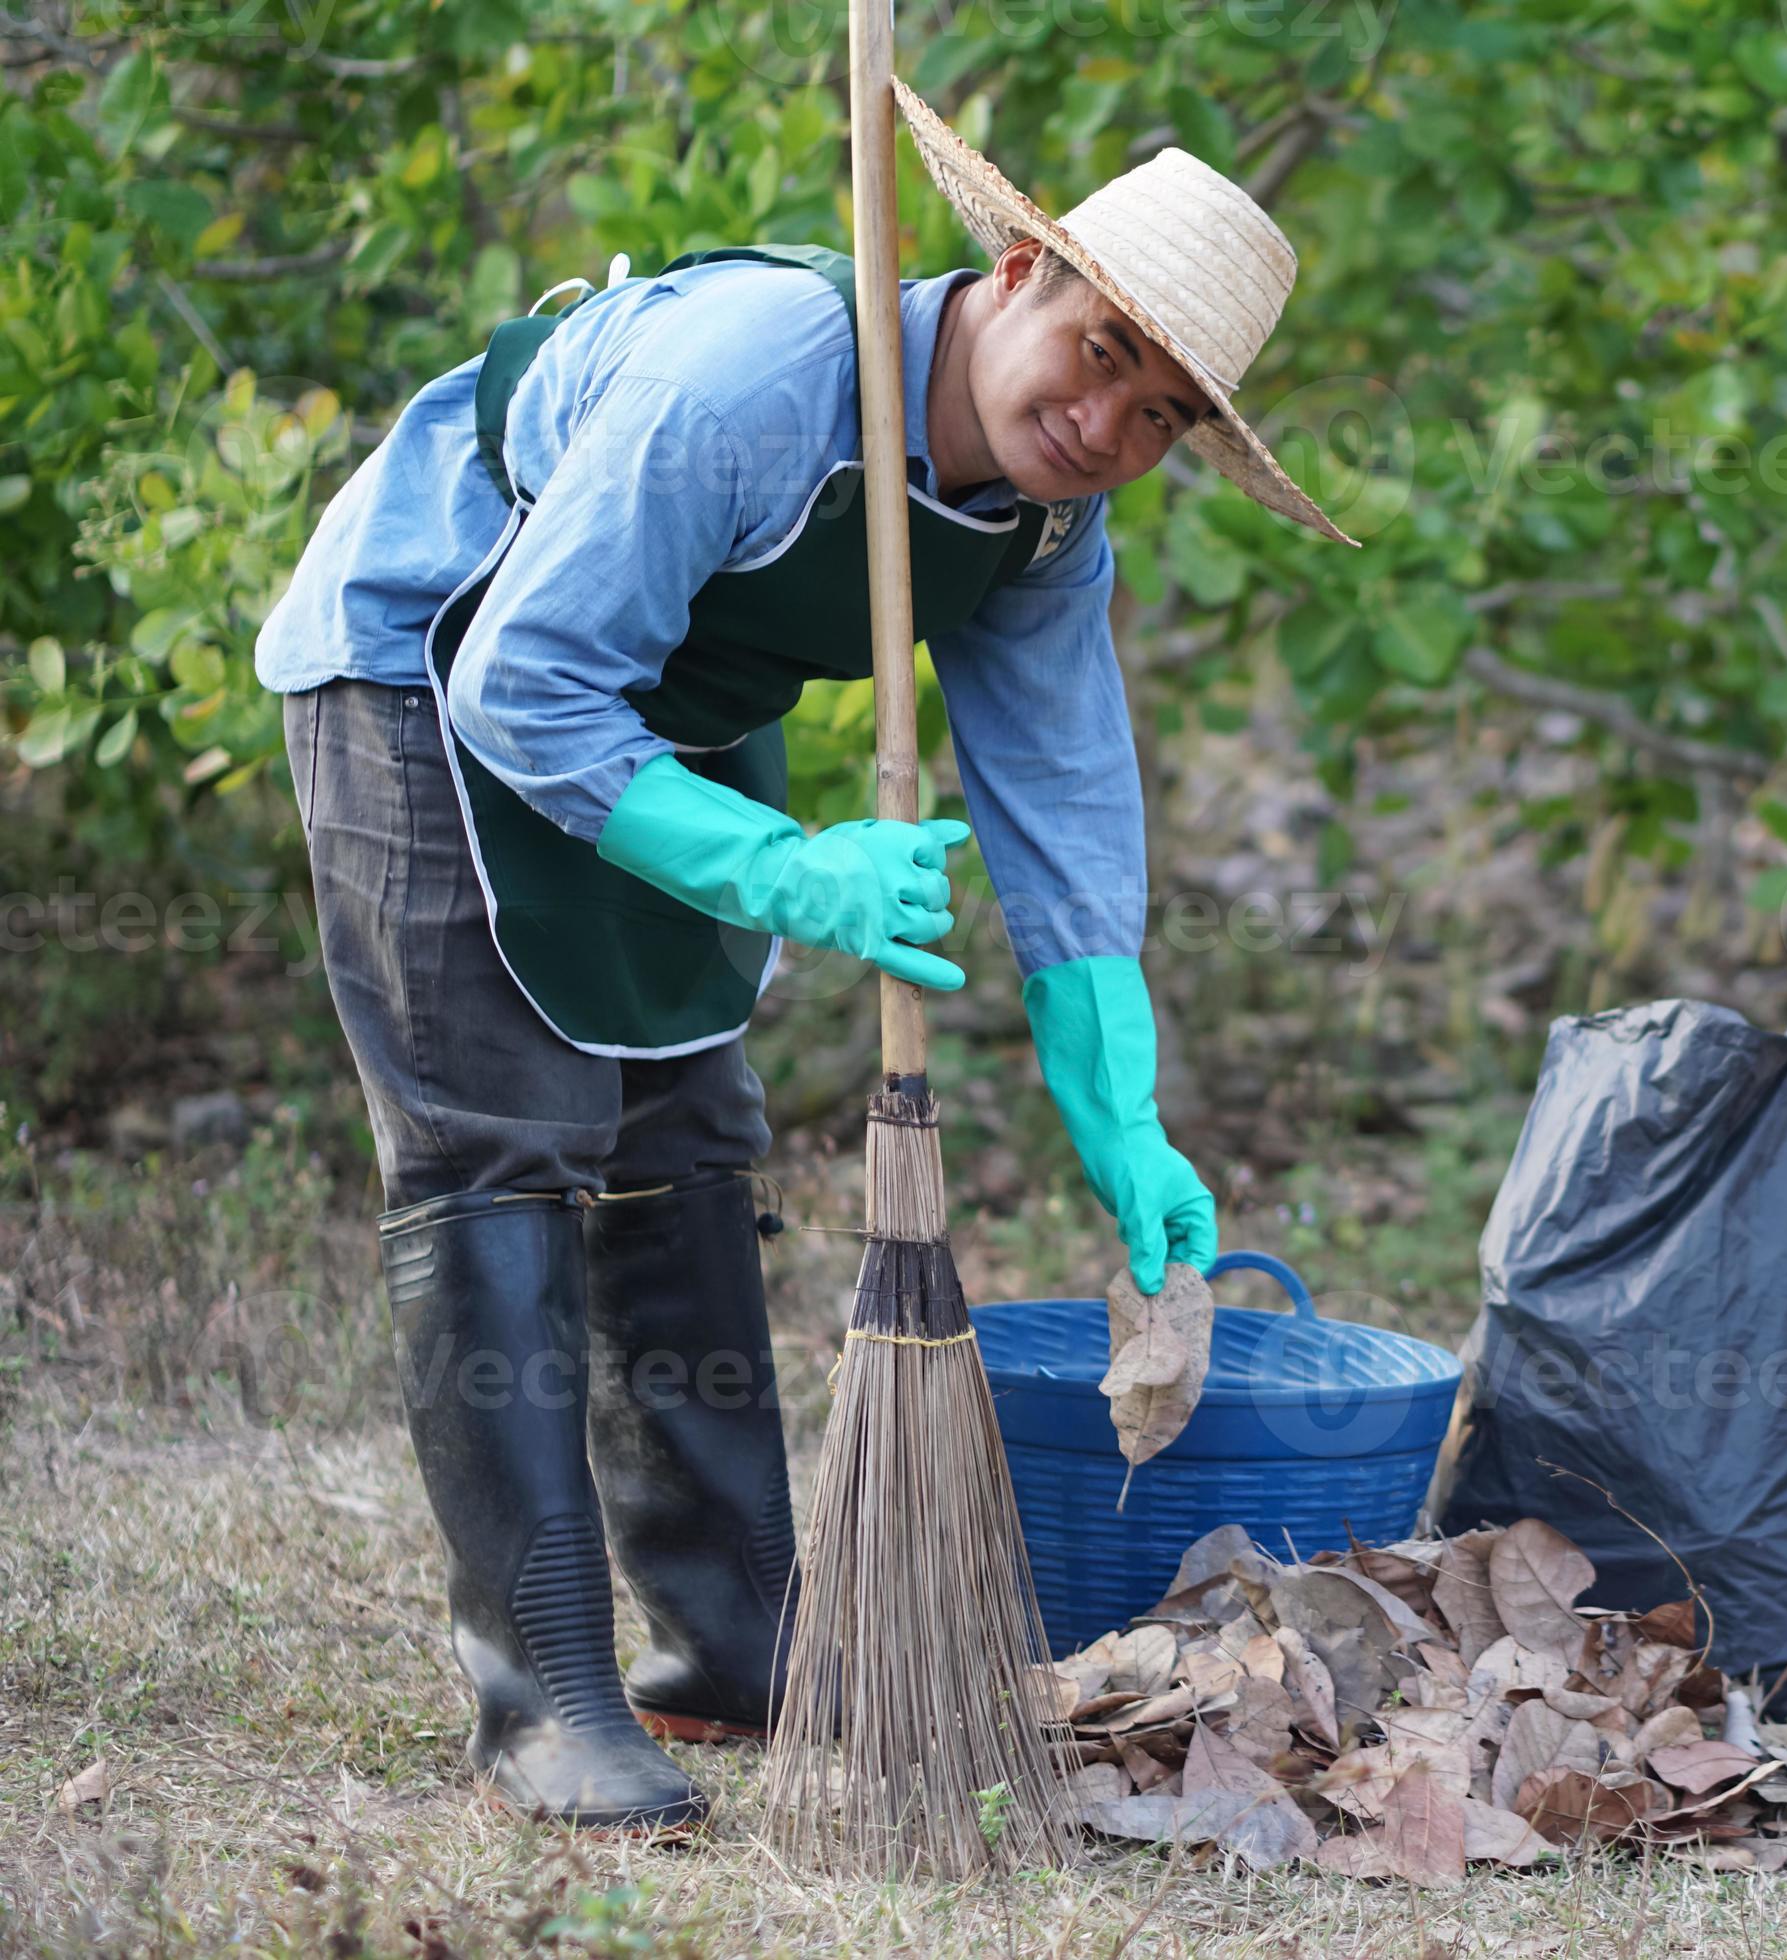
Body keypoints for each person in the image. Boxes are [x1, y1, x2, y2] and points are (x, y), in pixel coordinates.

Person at [253, 81, 1357, 1831]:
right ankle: (545, 1701)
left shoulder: (1049, 526)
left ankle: (742, 1640)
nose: (1104, 417)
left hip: (667, 714)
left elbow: (1067, 819)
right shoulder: (761, 374)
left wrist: (1123, 1113)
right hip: (437, 646)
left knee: (685, 1139)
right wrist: (782, 865)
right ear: (1015, 273)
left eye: (1160, 413)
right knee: (503, 1150)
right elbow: (522, 681)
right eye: (1099, 350)